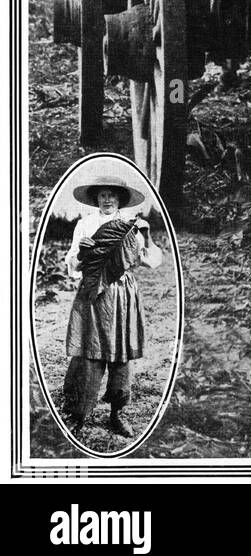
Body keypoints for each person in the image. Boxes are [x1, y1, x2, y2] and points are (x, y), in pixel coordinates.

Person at [62, 174, 161, 438]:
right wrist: (82, 254)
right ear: (96, 198)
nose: (107, 199)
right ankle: (79, 413)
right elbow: (73, 263)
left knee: (121, 351)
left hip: (122, 294)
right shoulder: (86, 224)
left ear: (120, 199)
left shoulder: (131, 226)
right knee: (90, 350)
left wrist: (147, 235)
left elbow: (150, 261)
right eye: (103, 195)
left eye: (112, 195)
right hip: (93, 292)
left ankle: (118, 413)